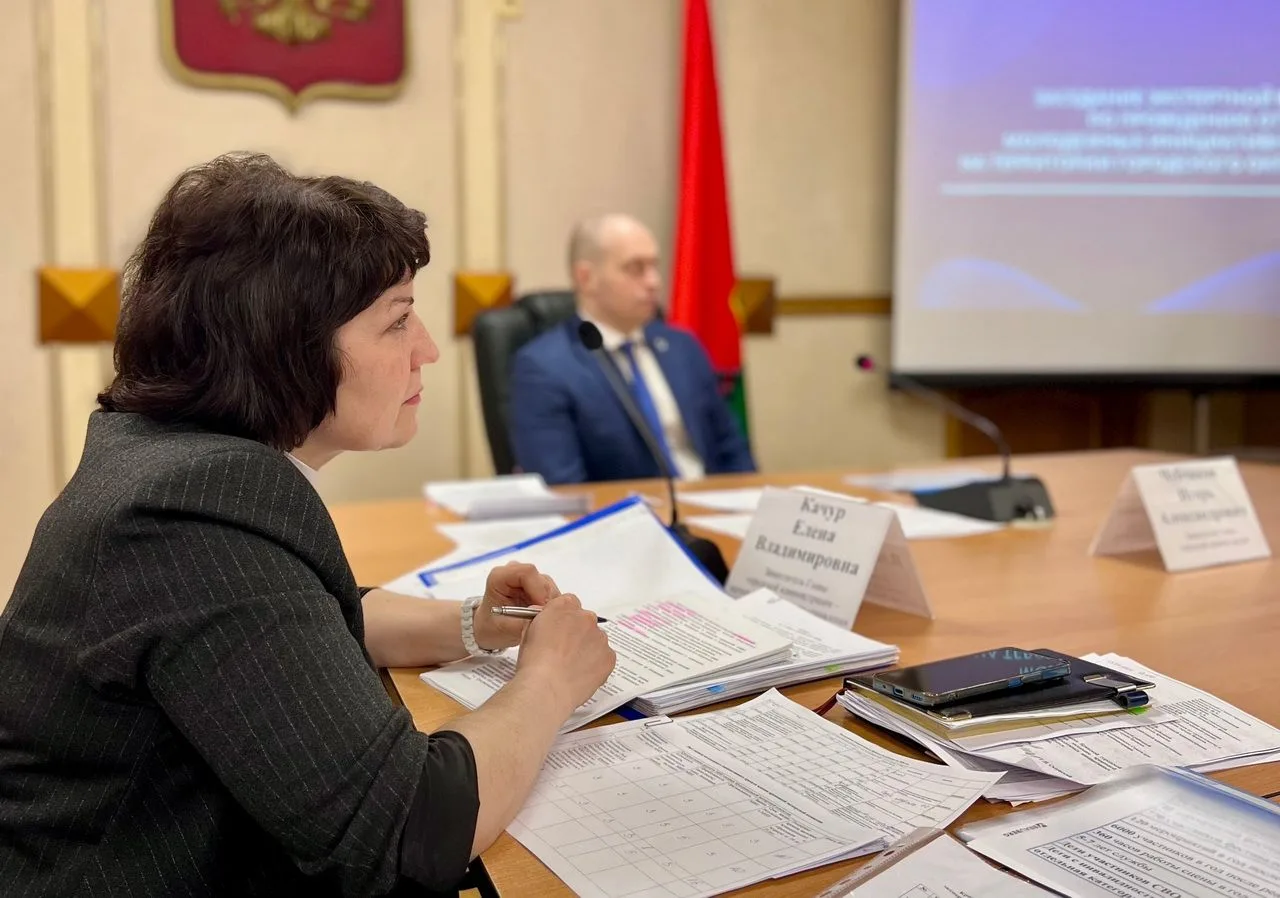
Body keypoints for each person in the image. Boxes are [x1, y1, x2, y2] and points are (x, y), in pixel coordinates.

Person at [0, 152, 617, 897]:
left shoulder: (167, 459)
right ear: (284, 344)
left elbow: (300, 618)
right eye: (397, 320)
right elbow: (404, 832)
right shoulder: (190, 516)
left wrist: (472, 624)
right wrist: (549, 681)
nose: (426, 348)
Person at [507, 214, 755, 484]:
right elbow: (563, 486)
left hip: (709, 503)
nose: (654, 282)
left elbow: (732, 450)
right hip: (623, 509)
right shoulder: (545, 367)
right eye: (635, 269)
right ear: (586, 278)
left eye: (654, 266)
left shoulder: (683, 347)